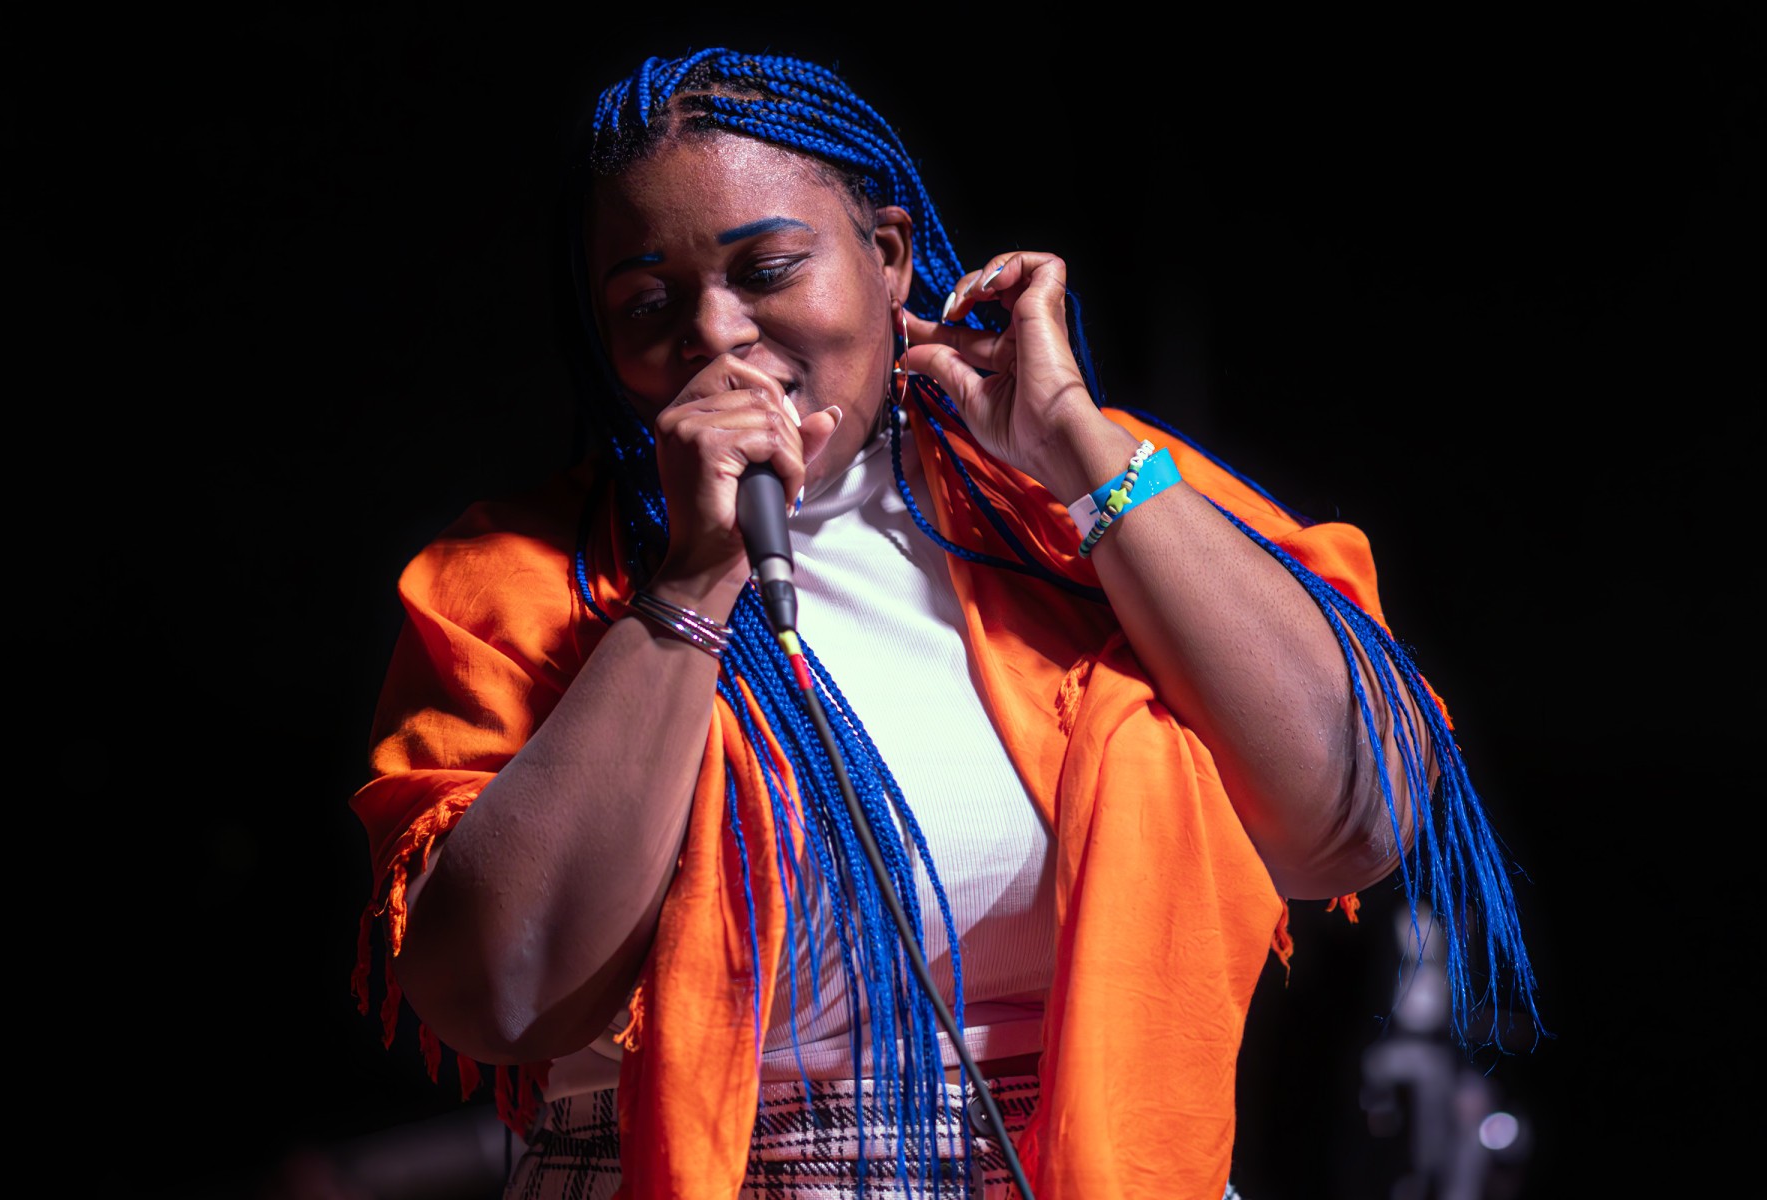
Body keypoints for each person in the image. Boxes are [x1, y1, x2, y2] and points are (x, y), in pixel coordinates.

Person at [349, 47, 1541, 1200]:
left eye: (767, 269)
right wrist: (694, 585)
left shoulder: (1083, 509)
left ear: (887, 256)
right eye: (649, 302)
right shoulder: (518, 580)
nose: (713, 333)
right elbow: (495, 996)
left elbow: (1358, 824)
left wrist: (1072, 442)